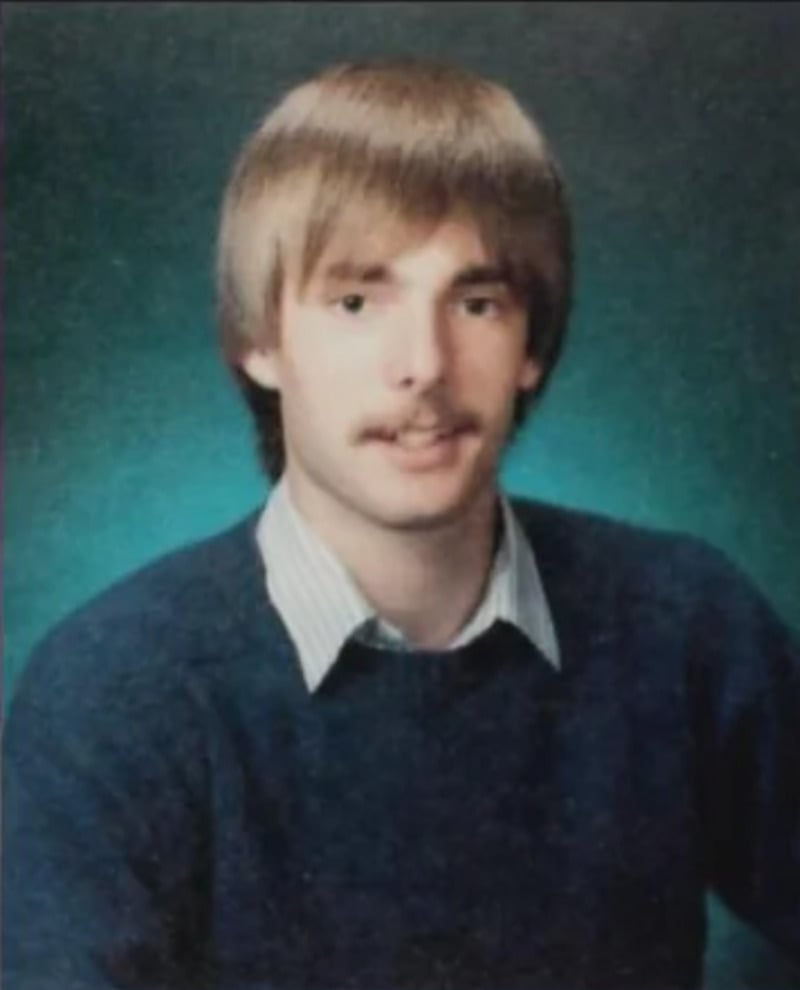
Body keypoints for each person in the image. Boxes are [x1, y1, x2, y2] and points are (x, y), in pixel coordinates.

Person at [4, 57, 799, 990]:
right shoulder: (110, 695)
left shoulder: (688, 625)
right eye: (355, 301)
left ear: (530, 348)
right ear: (258, 342)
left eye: (476, 302)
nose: (423, 363)